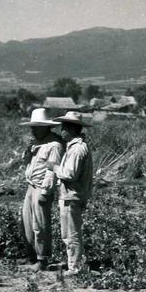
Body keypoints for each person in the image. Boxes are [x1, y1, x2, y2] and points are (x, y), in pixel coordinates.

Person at [48, 111, 94, 275]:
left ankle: (75, 267)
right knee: (72, 232)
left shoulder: (76, 149)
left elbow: (70, 174)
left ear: (71, 129)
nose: (61, 131)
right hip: (75, 194)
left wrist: (53, 167)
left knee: (70, 233)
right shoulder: (79, 147)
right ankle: (76, 263)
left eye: (64, 127)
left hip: (71, 195)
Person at [19, 108, 64, 271]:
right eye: (33, 127)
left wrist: (46, 191)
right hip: (31, 185)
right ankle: (31, 256)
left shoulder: (54, 145)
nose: (33, 130)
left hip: (41, 187)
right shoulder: (37, 143)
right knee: (27, 222)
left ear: (46, 127)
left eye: (37, 127)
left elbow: (52, 170)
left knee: (40, 224)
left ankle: (42, 258)